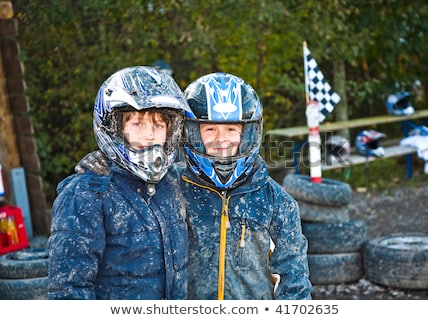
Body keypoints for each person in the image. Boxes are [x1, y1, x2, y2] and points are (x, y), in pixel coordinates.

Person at [76, 72, 312, 300]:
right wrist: (105, 167)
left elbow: (293, 279)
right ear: (191, 132)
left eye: (232, 129)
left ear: (248, 133)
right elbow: (126, 199)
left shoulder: (275, 201)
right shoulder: (167, 187)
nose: (221, 139)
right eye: (210, 129)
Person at [47, 66, 192, 299]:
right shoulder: (86, 194)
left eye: (159, 125)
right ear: (115, 127)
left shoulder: (174, 184)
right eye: (138, 124)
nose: (150, 134)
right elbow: (70, 290)